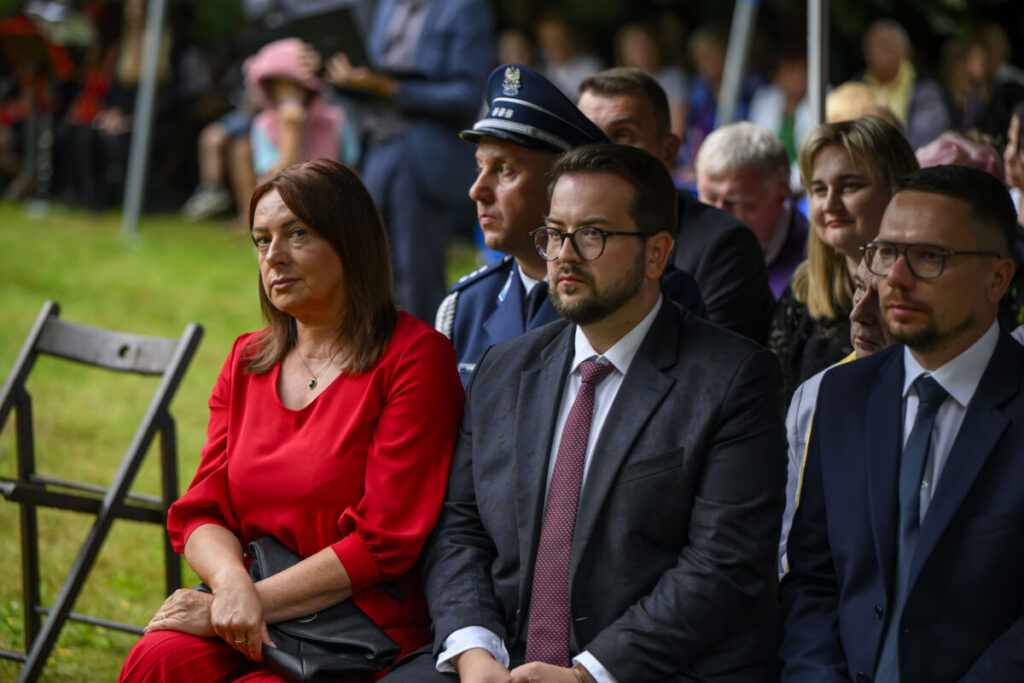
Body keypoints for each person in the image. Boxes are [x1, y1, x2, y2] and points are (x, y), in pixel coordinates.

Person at [386, 144, 786, 682]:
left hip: (649, 668)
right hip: (498, 660)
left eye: (593, 234)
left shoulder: (736, 378)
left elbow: (720, 567)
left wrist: (585, 674)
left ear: (656, 254)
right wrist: (474, 650)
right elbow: (460, 528)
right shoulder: (505, 368)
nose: (565, 255)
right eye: (554, 232)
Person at [118, 159, 464, 682]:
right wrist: (231, 588)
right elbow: (202, 510)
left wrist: (236, 604)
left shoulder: (415, 358)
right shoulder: (248, 359)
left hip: (356, 626)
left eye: (297, 233)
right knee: (157, 659)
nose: (273, 257)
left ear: (351, 242)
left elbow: (383, 542)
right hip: (250, 598)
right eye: (261, 240)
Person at [780, 164, 1024, 681]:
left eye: (930, 257)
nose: (894, 278)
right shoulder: (843, 393)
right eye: (886, 252)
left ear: (997, 278)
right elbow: (814, 579)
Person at [437, 63, 705, 386]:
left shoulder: (647, 293)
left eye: (505, 170)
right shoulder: (466, 307)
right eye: (480, 167)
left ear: (564, 184)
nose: (477, 190)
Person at [322, 0, 494, 324]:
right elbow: (371, 83)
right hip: (377, 148)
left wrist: (390, 87)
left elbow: (467, 96)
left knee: (418, 279)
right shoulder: (387, 6)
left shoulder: (463, 9)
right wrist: (334, 72)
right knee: (363, 269)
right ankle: (374, 366)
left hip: (423, 156)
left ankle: (428, 368)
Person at [578, 66, 775, 342]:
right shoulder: (558, 240)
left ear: (668, 150)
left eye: (623, 135)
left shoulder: (723, 246)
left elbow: (718, 370)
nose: (601, 151)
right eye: (586, 136)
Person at [768, 116, 918, 399]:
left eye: (850, 186)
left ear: (897, 190)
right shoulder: (802, 290)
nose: (830, 204)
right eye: (819, 190)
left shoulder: (928, 289)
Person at [778, 258, 893, 575]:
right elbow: (793, 552)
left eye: (884, 299)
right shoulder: (815, 395)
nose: (858, 314)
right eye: (859, 288)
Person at [694, 121, 809, 298]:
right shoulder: (682, 240)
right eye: (709, 197)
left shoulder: (814, 262)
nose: (717, 214)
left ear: (780, 197)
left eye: (734, 201)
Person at [861, 19, 953, 149]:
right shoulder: (856, 86)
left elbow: (927, 140)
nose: (881, 54)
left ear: (904, 51)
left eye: (888, 47)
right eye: (875, 47)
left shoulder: (927, 91)